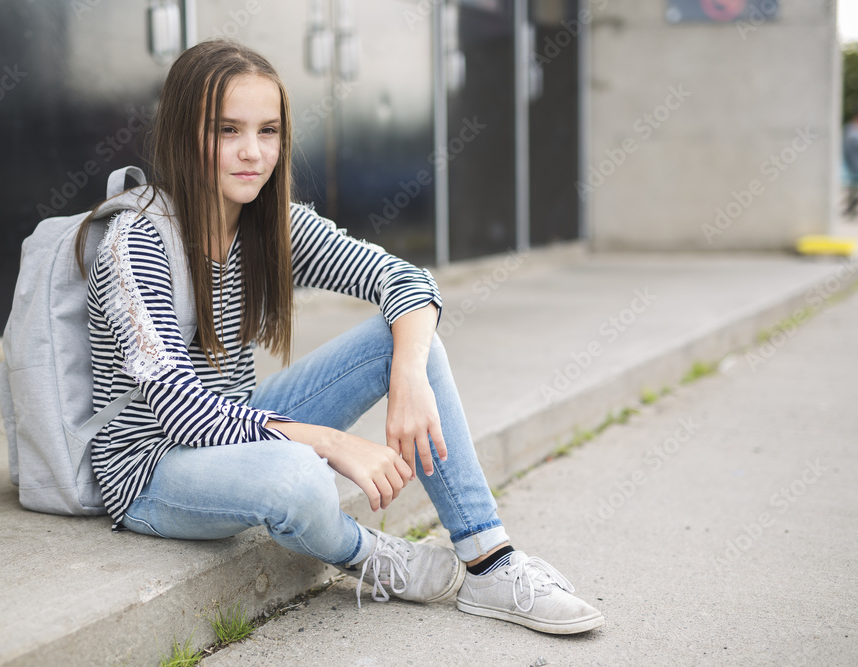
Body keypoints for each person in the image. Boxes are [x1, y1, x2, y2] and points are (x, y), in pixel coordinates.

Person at [76, 39, 604, 635]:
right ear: (182, 133)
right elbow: (180, 408)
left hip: (239, 427)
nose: (253, 152)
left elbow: (407, 281)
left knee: (407, 339)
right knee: (297, 475)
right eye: (227, 130)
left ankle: (490, 561)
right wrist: (330, 443)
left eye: (268, 131)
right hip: (151, 469)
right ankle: (368, 553)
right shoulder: (136, 240)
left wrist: (408, 376)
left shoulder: (269, 223)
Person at [844, 113, 858, 218]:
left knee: (853, 191)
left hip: (852, 166)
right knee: (853, 190)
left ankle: (850, 209)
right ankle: (850, 209)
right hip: (854, 166)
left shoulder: (848, 130)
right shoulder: (852, 133)